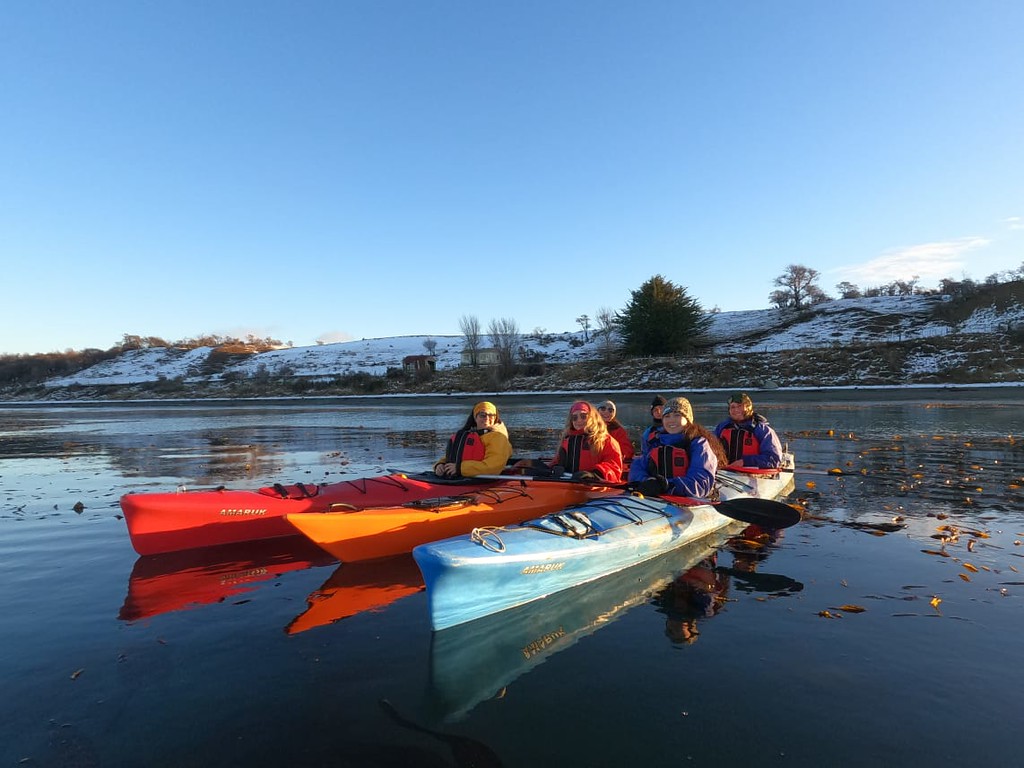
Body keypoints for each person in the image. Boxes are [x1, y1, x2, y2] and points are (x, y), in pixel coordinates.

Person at [628, 396, 727, 499]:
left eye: (677, 415)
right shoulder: (657, 442)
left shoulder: (699, 445)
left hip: (689, 499)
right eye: (667, 416)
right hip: (658, 499)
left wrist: (666, 485)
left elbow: (700, 483)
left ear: (687, 419)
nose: (671, 420)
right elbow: (638, 467)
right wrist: (647, 481)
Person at [528, 401, 623, 482]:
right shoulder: (567, 440)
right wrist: (550, 468)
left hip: (594, 488)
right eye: (575, 417)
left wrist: (594, 475)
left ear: (592, 418)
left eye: (583, 416)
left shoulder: (606, 440)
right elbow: (556, 461)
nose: (579, 420)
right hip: (569, 486)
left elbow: (614, 467)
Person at [433, 401, 513, 478]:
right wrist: (440, 464)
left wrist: (460, 468)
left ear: (495, 418)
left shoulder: (498, 437)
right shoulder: (470, 435)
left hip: (484, 480)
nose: (487, 418)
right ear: (475, 417)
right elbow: (458, 453)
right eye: (482, 415)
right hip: (464, 477)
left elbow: (493, 466)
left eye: (491, 415)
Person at [713, 392, 783, 469]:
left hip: (752, 472)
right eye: (732, 407)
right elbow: (709, 450)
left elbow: (774, 459)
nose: (736, 410)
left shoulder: (763, 431)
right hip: (724, 471)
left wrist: (745, 462)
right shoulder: (722, 427)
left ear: (748, 407)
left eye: (740, 406)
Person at [596, 399, 635, 467]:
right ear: (597, 411)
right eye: (603, 409)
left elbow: (627, 451)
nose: (606, 412)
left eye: (610, 410)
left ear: (613, 414)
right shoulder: (589, 428)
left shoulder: (618, 430)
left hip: (610, 463)